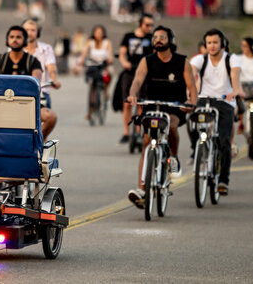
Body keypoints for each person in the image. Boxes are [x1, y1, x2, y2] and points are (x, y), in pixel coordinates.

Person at [126, 25, 197, 207]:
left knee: (171, 126)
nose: (158, 40)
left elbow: (191, 87)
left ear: (170, 41)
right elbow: (137, 80)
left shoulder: (182, 62)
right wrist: (133, 93)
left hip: (174, 107)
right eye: (155, 37)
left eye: (162, 37)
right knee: (147, 141)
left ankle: (173, 157)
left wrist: (192, 103)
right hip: (152, 105)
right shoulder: (147, 61)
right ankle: (142, 188)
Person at [190, 28, 244, 195]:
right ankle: (196, 149)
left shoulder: (231, 59)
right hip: (204, 99)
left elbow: (235, 75)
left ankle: (223, 180)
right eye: (209, 43)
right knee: (191, 123)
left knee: (224, 141)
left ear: (222, 44)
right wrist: (189, 89)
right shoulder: (200, 59)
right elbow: (191, 74)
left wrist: (235, 90)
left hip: (224, 101)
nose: (212, 46)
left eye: (215, 42)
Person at [0, 26, 57, 138]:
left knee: (51, 117)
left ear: (25, 41)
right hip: (2, 104)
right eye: (12, 37)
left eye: (18, 37)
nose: (15, 40)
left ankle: (37, 141)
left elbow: (35, 82)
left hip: (27, 104)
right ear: (7, 40)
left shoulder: (33, 61)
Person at [118, 13, 154, 144]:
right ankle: (126, 132)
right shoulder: (128, 36)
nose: (149, 27)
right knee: (127, 103)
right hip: (130, 71)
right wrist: (124, 63)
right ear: (140, 24)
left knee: (141, 103)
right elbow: (122, 54)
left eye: (151, 25)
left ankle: (138, 131)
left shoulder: (151, 38)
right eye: (147, 25)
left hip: (144, 74)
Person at [22, 18, 61, 108]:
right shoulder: (14, 50)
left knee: (49, 117)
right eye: (26, 30)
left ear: (38, 33)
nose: (29, 33)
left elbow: (51, 67)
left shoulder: (46, 49)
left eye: (33, 30)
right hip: (20, 92)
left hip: (41, 91)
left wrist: (54, 79)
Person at [78, 24, 113, 121]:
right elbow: (84, 52)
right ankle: (90, 110)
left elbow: (109, 54)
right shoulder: (90, 42)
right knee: (92, 87)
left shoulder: (107, 42)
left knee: (109, 74)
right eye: (97, 32)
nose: (99, 34)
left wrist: (109, 60)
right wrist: (81, 60)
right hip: (92, 65)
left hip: (103, 65)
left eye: (100, 33)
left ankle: (105, 91)